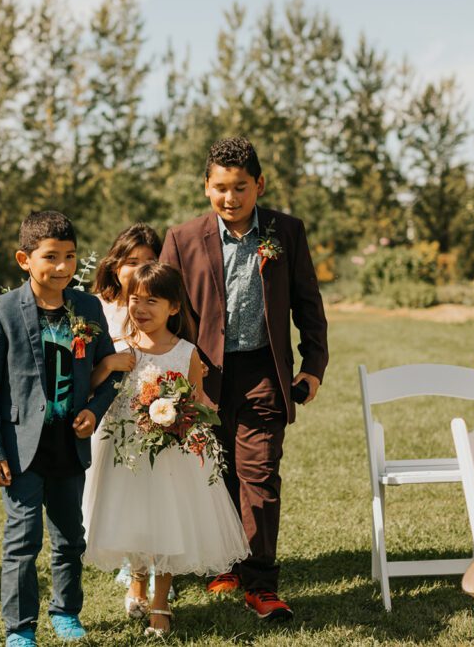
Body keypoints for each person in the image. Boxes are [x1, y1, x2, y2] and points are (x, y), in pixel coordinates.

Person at [159, 136, 329, 620]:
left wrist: (312, 366)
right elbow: (168, 314)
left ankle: (260, 583)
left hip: (262, 371)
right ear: (206, 186)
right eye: (220, 188)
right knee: (213, 473)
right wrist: (168, 376)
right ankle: (222, 564)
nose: (230, 199)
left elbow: (308, 304)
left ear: (259, 184)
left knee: (258, 476)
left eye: (240, 188)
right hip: (202, 374)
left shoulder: (286, 232)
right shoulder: (183, 238)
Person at [0, 211, 123, 647]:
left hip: (69, 444)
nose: (62, 267)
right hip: (22, 449)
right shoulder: (2, 312)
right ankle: (19, 628)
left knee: (69, 539)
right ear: (25, 258)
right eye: (51, 257)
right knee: (22, 541)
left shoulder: (87, 307)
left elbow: (110, 370)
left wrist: (94, 411)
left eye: (70, 256)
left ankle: (66, 612)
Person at [83, 262, 249, 637]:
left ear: (174, 307)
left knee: (169, 521)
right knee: (135, 518)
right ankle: (137, 581)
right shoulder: (121, 349)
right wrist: (108, 364)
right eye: (134, 300)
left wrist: (196, 414)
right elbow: (93, 389)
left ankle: (161, 600)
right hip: (125, 452)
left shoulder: (186, 352)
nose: (139, 309)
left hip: (172, 453)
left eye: (151, 301)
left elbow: (196, 400)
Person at [85, 223, 165, 601]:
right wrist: (110, 364)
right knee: (115, 490)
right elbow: (85, 370)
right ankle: (129, 561)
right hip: (109, 412)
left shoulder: (158, 304)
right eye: (131, 262)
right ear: (115, 265)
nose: (138, 269)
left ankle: (150, 567)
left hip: (151, 410)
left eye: (149, 262)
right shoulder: (98, 307)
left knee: (151, 491)